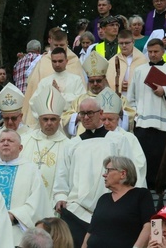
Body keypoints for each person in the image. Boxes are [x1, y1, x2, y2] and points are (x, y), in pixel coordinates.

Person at [53, 98, 136, 247]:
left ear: (101, 113)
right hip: (76, 209)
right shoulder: (72, 144)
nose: (85, 117)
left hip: (111, 209)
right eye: (82, 113)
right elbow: (62, 174)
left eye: (90, 113)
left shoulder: (118, 141)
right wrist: (60, 195)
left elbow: (129, 173)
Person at [128, 38, 166, 189]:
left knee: (162, 159)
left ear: (163, 52)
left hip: (164, 123)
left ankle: (162, 190)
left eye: (156, 52)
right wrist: (136, 114)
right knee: (145, 159)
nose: (153, 55)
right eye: (150, 52)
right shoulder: (139, 70)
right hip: (143, 122)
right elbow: (131, 97)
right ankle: (146, 188)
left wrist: (165, 91)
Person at [0, 129, 53, 246]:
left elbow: (37, 201)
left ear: (20, 148)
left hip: (17, 234)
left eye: (10, 141)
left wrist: (14, 215)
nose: (5, 143)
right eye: (2, 141)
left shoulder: (31, 170)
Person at [82, 156, 154, 248]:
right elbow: (91, 230)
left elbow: (149, 224)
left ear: (123, 174)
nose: (104, 175)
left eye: (108, 170)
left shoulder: (141, 195)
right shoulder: (103, 199)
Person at [62, 51, 134, 137]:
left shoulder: (117, 99)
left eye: (98, 80)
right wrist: (80, 116)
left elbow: (130, 118)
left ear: (105, 79)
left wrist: (120, 112)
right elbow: (66, 119)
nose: (95, 84)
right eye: (92, 81)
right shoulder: (80, 100)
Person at [22, 29, 85, 127]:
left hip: (69, 122)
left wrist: (59, 96)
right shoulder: (43, 62)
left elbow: (82, 99)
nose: (57, 64)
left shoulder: (75, 61)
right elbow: (34, 95)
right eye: (56, 45)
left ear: (67, 43)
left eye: (62, 45)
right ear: (50, 42)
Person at [21, 86, 70, 199]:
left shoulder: (69, 146)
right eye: (45, 119)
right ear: (39, 120)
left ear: (59, 121)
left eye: (53, 119)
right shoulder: (25, 141)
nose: (49, 123)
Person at [97, 87, 147, 187]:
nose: (106, 123)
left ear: (118, 119)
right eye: (103, 119)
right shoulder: (94, 139)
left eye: (110, 119)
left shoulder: (128, 138)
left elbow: (139, 164)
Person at [30, 47, 86, 117]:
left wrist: (58, 95)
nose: (57, 64)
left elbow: (82, 101)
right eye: (54, 61)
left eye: (60, 61)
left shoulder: (76, 80)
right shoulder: (44, 82)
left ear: (66, 61)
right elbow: (34, 102)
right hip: (49, 121)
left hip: (70, 121)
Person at [106, 29, 148, 97]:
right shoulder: (112, 61)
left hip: (137, 98)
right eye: (121, 43)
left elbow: (146, 81)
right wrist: (119, 85)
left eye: (127, 43)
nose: (124, 45)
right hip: (119, 97)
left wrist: (130, 86)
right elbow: (108, 81)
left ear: (133, 42)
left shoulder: (142, 59)